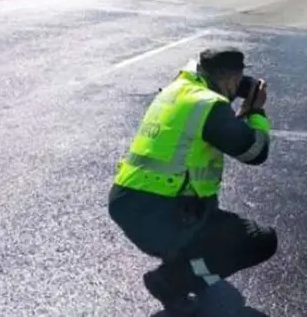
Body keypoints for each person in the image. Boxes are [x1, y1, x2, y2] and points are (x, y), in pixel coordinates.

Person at [107, 47, 277, 316]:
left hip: (130, 203)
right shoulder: (209, 106)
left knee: (206, 216)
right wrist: (255, 111)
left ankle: (185, 261)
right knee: (260, 240)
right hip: (163, 213)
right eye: (238, 82)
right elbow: (255, 152)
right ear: (232, 80)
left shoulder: (179, 89)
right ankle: (171, 282)